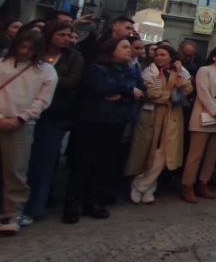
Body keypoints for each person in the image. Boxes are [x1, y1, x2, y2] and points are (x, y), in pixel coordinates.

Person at [63, 38, 145, 223]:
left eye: (128, 47)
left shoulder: (131, 70)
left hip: (116, 122)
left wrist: (124, 94)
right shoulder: (96, 68)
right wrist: (127, 90)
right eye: (124, 47)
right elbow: (101, 87)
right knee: (82, 164)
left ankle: (93, 202)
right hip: (91, 122)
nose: (128, 50)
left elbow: (140, 91)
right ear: (111, 49)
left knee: (104, 164)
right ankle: (72, 204)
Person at [22, 21, 84, 222]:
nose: (66, 39)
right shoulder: (34, 52)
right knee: (19, 162)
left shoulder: (73, 57)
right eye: (62, 34)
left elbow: (72, 82)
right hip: (25, 111)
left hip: (54, 116)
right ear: (50, 35)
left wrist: (46, 77)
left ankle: (33, 207)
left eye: (69, 35)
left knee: (43, 164)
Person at [0, 30, 58, 235]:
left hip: (23, 124)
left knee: (16, 170)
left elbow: (43, 100)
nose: (25, 52)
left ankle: (11, 212)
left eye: (30, 49)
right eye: (22, 47)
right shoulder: (3, 65)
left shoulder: (46, 71)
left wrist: (21, 118)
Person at [125, 45, 193, 204]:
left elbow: (188, 88)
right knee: (148, 152)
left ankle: (142, 185)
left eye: (163, 55)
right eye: (157, 55)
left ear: (171, 57)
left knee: (164, 153)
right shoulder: (148, 72)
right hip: (151, 116)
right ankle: (147, 186)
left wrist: (179, 86)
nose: (159, 57)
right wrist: (173, 95)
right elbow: (151, 93)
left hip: (171, 117)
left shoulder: (179, 71)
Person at [182, 47, 216, 202]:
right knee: (196, 154)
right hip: (204, 116)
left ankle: (203, 181)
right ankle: (187, 184)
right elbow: (203, 92)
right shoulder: (204, 71)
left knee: (212, 154)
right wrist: (215, 111)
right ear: (214, 57)